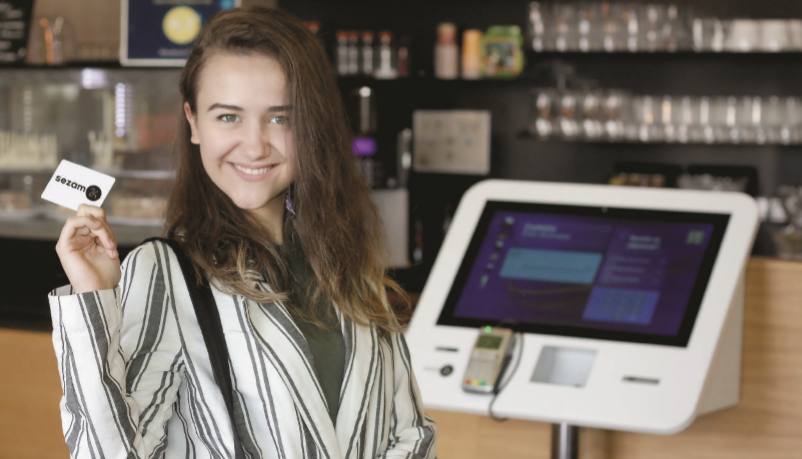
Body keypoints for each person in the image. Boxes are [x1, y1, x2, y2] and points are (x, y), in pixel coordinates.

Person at [50, 6, 437, 458]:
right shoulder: (168, 272)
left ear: (310, 124)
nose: (254, 145)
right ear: (194, 122)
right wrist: (93, 295)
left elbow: (411, 433)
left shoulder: (347, 263)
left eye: (280, 118)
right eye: (228, 117)